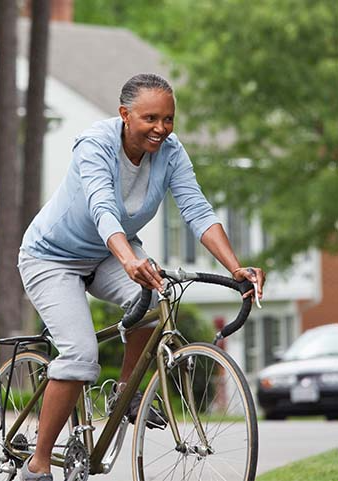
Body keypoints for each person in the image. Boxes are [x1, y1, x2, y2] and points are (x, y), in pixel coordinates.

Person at [17, 73, 266, 481]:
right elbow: (102, 209)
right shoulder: (95, 145)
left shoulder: (170, 152)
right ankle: (38, 464)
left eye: (168, 119)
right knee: (80, 356)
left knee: (155, 295)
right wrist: (130, 259)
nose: (161, 129)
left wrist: (234, 267)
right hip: (52, 258)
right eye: (151, 118)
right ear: (124, 115)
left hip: (111, 253)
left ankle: (126, 393)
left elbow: (197, 210)